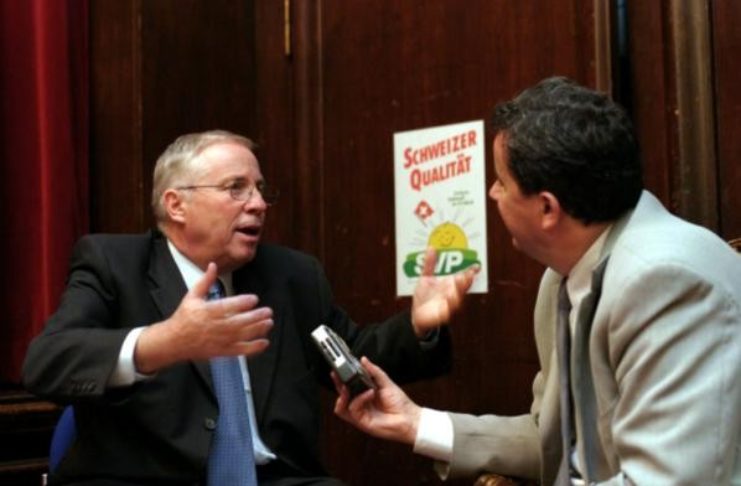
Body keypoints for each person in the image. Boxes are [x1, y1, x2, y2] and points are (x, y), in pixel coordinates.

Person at [332, 77, 741, 485]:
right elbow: (554, 439)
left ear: (547, 208)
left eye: (501, 181)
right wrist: (415, 423)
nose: (492, 193)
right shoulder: (562, 279)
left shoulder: (665, 281)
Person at [22, 130, 478, 486]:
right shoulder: (113, 264)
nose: (258, 204)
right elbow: (47, 363)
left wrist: (418, 327)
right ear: (176, 204)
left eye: (260, 189)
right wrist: (166, 341)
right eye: (236, 188)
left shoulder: (291, 275)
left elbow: (353, 355)